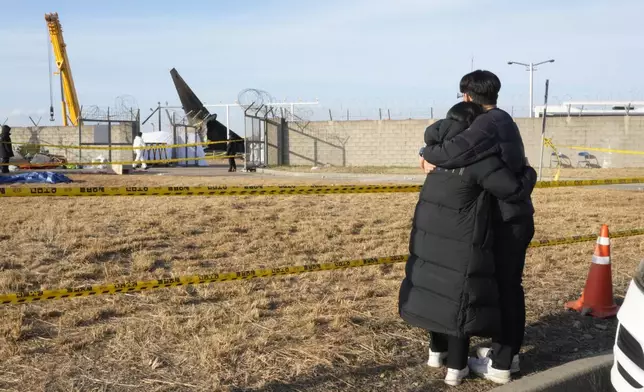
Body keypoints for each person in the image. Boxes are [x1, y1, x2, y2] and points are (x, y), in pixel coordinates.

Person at [399, 101, 537, 386]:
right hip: (473, 234)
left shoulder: (439, 155)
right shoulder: (477, 158)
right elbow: (511, 188)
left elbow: (431, 151)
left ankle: (439, 353)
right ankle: (485, 363)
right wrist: (530, 173)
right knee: (466, 292)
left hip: (430, 236)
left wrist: (424, 152)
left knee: (435, 288)